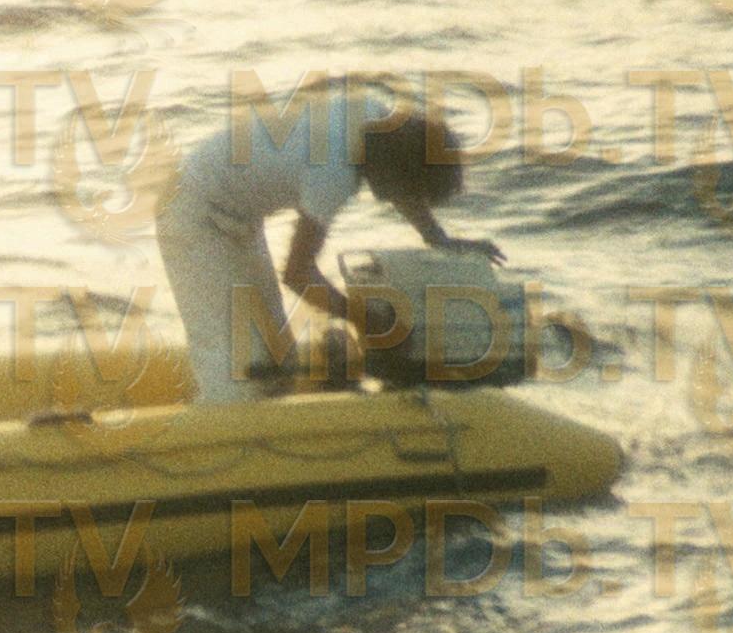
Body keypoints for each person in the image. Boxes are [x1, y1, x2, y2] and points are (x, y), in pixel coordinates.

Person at [155, 88, 505, 402]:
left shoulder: (375, 121)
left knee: (277, 356)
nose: (392, 200)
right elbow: (297, 274)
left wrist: (437, 237)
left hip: (235, 214)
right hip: (191, 212)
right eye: (407, 191)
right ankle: (216, 426)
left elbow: (403, 186)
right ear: (395, 174)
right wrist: (367, 320)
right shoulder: (333, 173)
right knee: (235, 372)